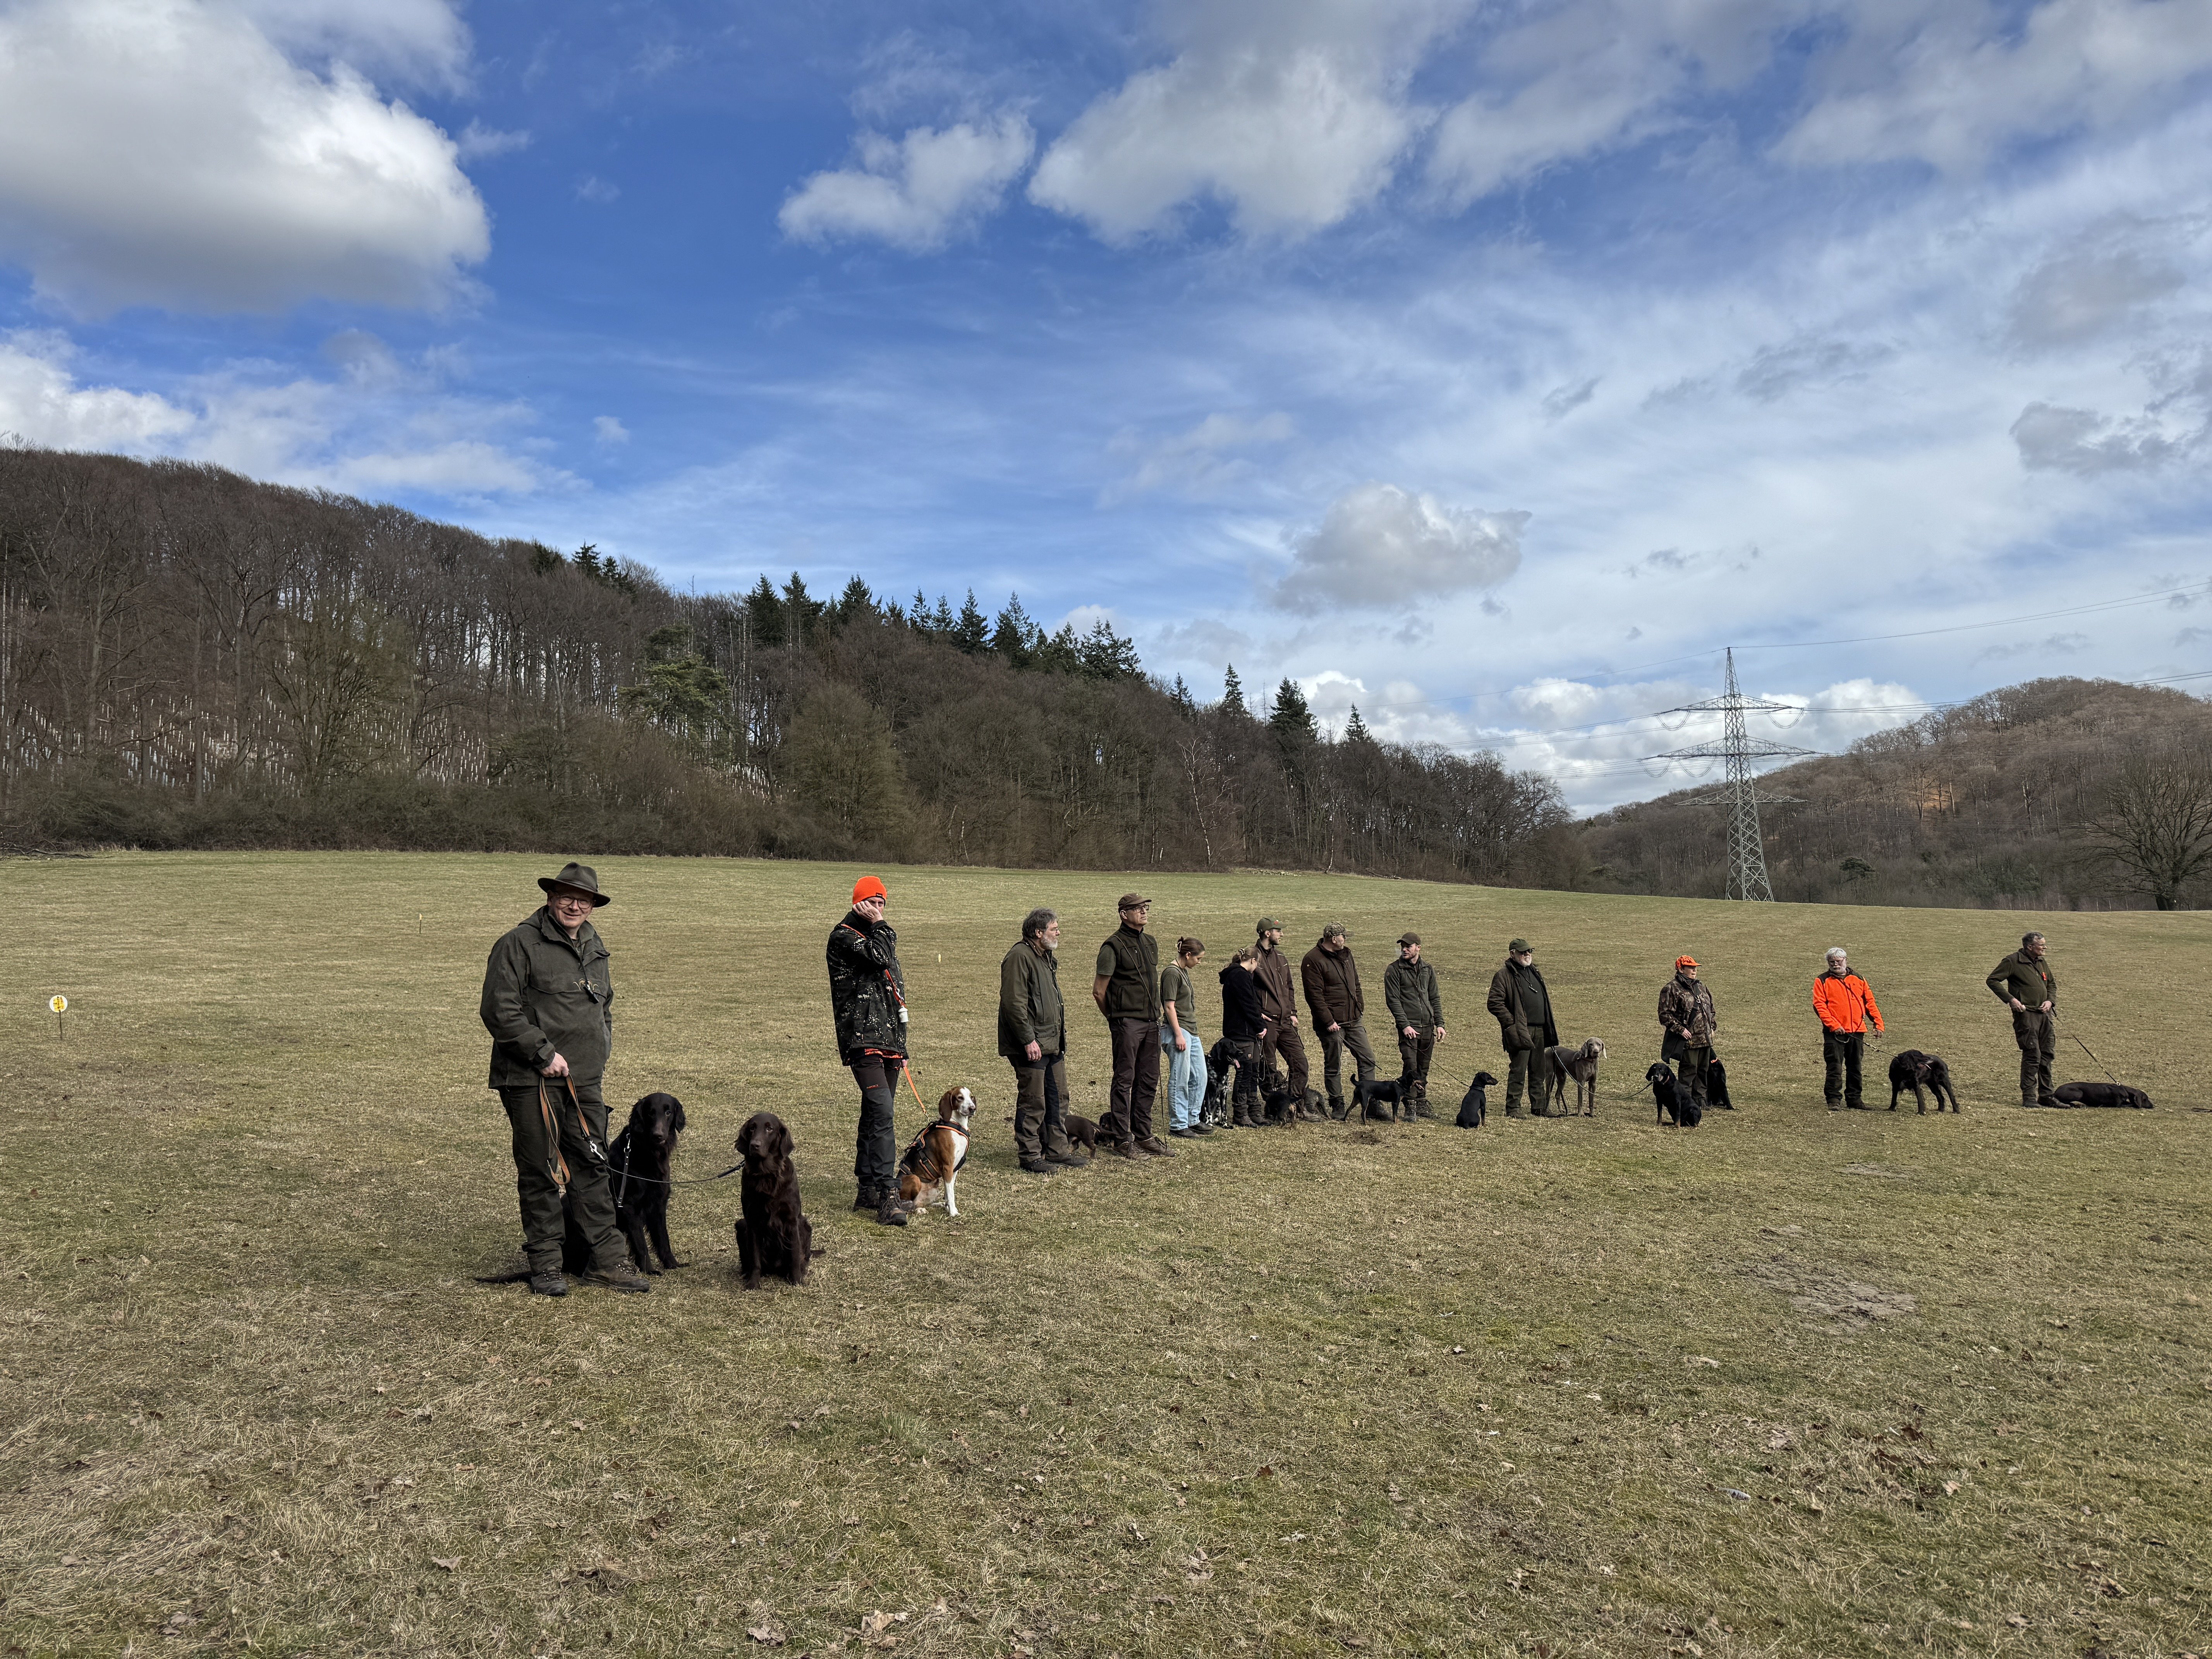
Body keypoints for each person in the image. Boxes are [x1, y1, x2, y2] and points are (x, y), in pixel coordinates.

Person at [479, 862, 650, 1297]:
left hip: (585, 1081)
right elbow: (500, 1010)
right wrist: (542, 1053)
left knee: (593, 1166)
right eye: (566, 896)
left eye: (584, 899)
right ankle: (547, 1265)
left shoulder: (595, 944)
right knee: (541, 1169)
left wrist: (600, 1048)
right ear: (551, 897)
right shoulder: (518, 943)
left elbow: (603, 1006)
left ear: (593, 905)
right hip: (531, 1078)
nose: (575, 905)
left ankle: (607, 1261)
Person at [826, 875, 912, 1226]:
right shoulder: (845, 937)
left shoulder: (878, 938)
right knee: (883, 1113)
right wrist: (883, 926)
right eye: (872, 903)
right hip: (862, 1038)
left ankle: (867, 1188)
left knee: (876, 1112)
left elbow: (894, 988)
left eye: (882, 904)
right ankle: (887, 1193)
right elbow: (878, 958)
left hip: (888, 1040)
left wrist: (902, 1042)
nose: (878, 909)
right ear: (857, 903)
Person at [999, 907, 1088, 1174]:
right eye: (1054, 928)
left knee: (1058, 1097)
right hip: (1031, 1045)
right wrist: (1028, 1040)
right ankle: (1030, 1155)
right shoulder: (1019, 956)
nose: (1059, 932)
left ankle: (1057, 1151)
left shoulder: (1045, 957)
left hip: (1052, 1043)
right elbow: (1014, 1003)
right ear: (1038, 933)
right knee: (1033, 1100)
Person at [1093, 894, 1173, 1159]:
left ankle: (1144, 1134)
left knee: (1149, 1080)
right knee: (1124, 1080)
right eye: (1138, 909)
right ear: (1123, 914)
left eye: (1145, 908)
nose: (1144, 912)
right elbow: (1099, 991)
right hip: (1127, 1023)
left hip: (1152, 1021)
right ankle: (1121, 1139)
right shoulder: (1112, 947)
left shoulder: (1150, 943)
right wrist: (1116, 1019)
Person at [1302, 923, 1376, 1120]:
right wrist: (1328, 1021)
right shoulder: (1313, 960)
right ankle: (1337, 1103)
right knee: (1334, 1064)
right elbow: (1314, 996)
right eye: (1343, 936)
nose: (1346, 940)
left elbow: (1356, 982)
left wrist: (1359, 1005)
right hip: (1332, 1024)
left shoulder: (1347, 955)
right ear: (1334, 939)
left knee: (1368, 1058)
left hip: (1354, 1019)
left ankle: (1371, 1102)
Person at [1987, 931, 2059, 1109]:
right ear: (2030, 947)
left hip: (2045, 1016)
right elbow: (1993, 980)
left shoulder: (2042, 961)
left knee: (2047, 1055)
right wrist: (2011, 1000)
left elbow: (2051, 984)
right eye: (2041, 945)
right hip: (2026, 1016)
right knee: (2033, 1055)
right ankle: (2029, 1098)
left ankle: (2047, 1096)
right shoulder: (2013, 961)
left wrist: (2051, 1001)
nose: (2045, 947)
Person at [1484, 937, 1555, 1119]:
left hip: (1540, 1029)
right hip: (1520, 1030)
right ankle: (1514, 1108)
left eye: (1529, 951)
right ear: (1512, 954)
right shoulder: (1504, 975)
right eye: (1523, 952)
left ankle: (1539, 1107)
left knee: (1539, 1070)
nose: (1527, 955)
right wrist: (1511, 1023)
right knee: (1518, 1070)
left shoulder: (1535, 972)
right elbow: (1494, 1003)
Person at [1252, 917, 1314, 1121]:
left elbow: (1289, 988)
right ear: (1267, 933)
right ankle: (1274, 1109)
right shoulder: (1253, 958)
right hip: (1267, 1022)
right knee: (1268, 1066)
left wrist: (1293, 1012)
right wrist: (1256, 1012)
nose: (1282, 934)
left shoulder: (1281, 957)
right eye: (1278, 931)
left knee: (1300, 1063)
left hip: (1286, 1022)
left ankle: (1295, 1105)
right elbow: (1244, 988)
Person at [1384, 932, 1449, 1118]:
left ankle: (1421, 1101)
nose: (1404, 949)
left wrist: (1440, 1023)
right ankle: (1409, 1104)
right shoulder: (1394, 970)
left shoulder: (1428, 969)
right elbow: (1393, 1001)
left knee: (1423, 1067)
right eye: (1403, 946)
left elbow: (1435, 998)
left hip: (1428, 1027)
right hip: (1409, 1027)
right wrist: (1404, 1025)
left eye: (1409, 946)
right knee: (1411, 1065)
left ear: (1418, 948)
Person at [1812, 946, 1885, 1111]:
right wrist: (1834, 1026)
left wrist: (1878, 1024)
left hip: (1857, 1031)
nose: (1835, 964)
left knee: (1856, 1067)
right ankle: (1834, 1100)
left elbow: (1870, 1003)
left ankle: (1855, 1100)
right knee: (1835, 1067)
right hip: (1834, 1033)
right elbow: (1819, 1006)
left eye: (1838, 961)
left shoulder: (1859, 979)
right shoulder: (1822, 980)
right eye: (1832, 962)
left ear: (1846, 960)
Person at [1161, 936, 1213, 1139]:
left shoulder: (1182, 971)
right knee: (1180, 1078)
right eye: (1198, 959)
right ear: (1188, 955)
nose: (1199, 963)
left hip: (1191, 1031)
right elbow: (1169, 1006)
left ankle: (1193, 1118)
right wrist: (1178, 1034)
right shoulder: (1172, 973)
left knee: (1200, 1076)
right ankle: (1179, 1124)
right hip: (1180, 1031)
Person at [1658, 954, 1721, 1107]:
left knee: (1703, 1071)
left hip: (1705, 1039)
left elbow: (1710, 1009)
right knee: (1689, 1072)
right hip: (1689, 1041)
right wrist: (1681, 1030)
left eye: (1695, 968)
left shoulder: (1701, 987)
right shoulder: (1671, 988)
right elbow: (1665, 1015)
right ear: (1681, 969)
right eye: (1690, 968)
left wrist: (1712, 1027)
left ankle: (1701, 1102)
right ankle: (1685, 1103)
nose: (1694, 971)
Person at [1218, 944, 1269, 1128]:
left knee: (1253, 1071)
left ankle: (1253, 1110)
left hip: (1246, 1031)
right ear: (1254, 961)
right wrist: (1260, 1025)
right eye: (1258, 964)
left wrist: (1258, 1017)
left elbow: (1248, 1003)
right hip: (1242, 1033)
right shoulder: (1239, 975)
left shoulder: (1240, 975)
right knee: (1245, 1073)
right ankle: (1240, 1113)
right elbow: (1247, 1004)